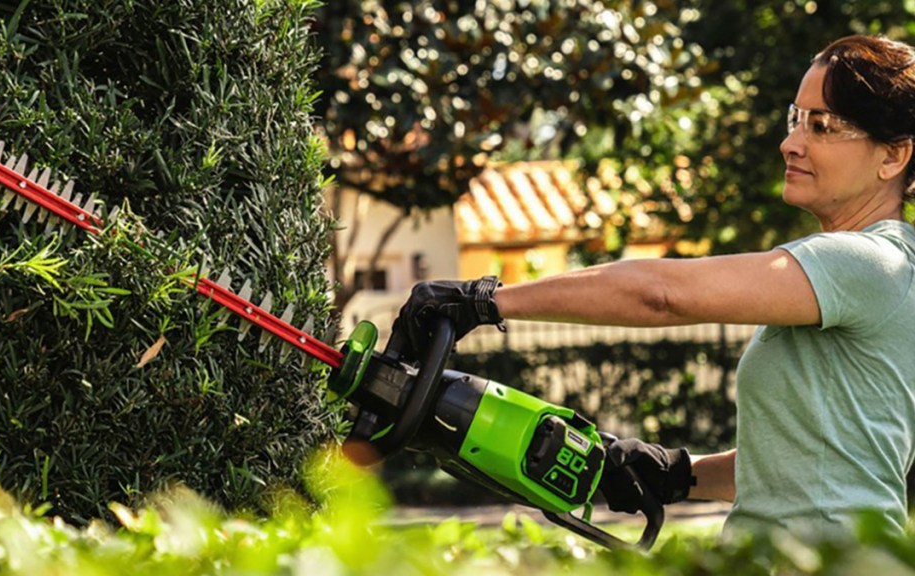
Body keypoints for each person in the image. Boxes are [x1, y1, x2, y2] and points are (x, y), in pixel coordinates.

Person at [392, 34, 915, 538]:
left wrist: (485, 301)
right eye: (794, 119)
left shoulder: (870, 263)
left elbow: (661, 294)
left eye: (821, 125)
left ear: (893, 156)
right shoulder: (862, 275)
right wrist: (674, 472)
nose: (790, 143)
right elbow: (809, 468)